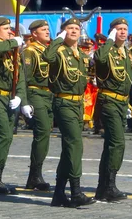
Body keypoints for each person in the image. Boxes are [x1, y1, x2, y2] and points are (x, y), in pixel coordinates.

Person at [43, 18, 95, 207]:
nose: (74, 31)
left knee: (69, 149)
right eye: (69, 28)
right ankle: (75, 191)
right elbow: (47, 57)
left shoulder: (80, 54)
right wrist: (58, 39)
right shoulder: (59, 51)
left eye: (76, 28)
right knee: (75, 144)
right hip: (63, 101)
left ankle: (58, 193)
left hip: (77, 103)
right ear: (63, 31)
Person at [93, 18, 132, 202]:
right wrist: (108, 41)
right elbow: (99, 58)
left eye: (125, 29)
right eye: (119, 29)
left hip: (122, 102)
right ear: (112, 32)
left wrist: (128, 104)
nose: (123, 32)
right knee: (117, 143)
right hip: (108, 100)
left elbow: (127, 80)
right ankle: (109, 186)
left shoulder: (126, 52)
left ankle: (104, 187)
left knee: (112, 144)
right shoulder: (106, 50)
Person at [0, 17, 25, 194]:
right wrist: (14, 42)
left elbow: (20, 75)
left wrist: (21, 97)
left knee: (7, 137)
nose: (10, 31)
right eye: (6, 28)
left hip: (9, 97)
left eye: (10, 28)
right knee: (2, 134)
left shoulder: (12, 51)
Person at [22, 19, 53, 191]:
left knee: (45, 134)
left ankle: (36, 174)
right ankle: (34, 175)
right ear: (34, 33)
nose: (47, 32)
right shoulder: (30, 51)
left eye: (48, 29)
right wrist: (24, 102)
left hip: (48, 94)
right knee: (41, 132)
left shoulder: (48, 50)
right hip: (35, 93)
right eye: (43, 29)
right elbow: (25, 78)